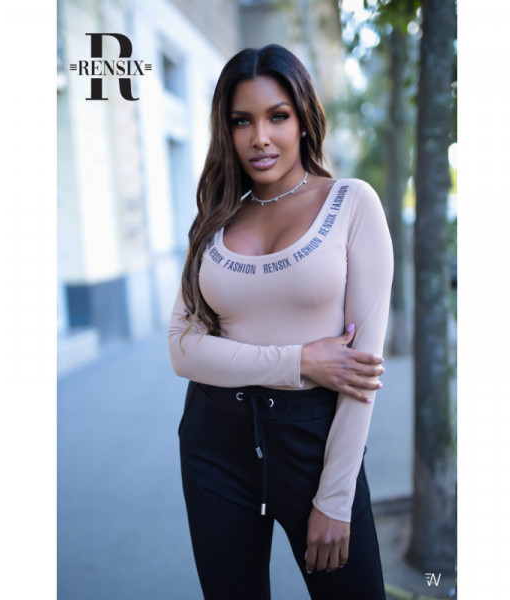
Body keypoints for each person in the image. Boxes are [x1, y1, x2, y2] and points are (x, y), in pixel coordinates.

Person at [168, 44, 393, 600]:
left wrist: (335, 498)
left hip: (314, 443)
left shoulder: (351, 203)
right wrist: (300, 360)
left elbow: (361, 374)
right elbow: (183, 349)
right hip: (215, 439)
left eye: (277, 116)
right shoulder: (215, 219)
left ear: (303, 118)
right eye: (241, 120)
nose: (260, 138)